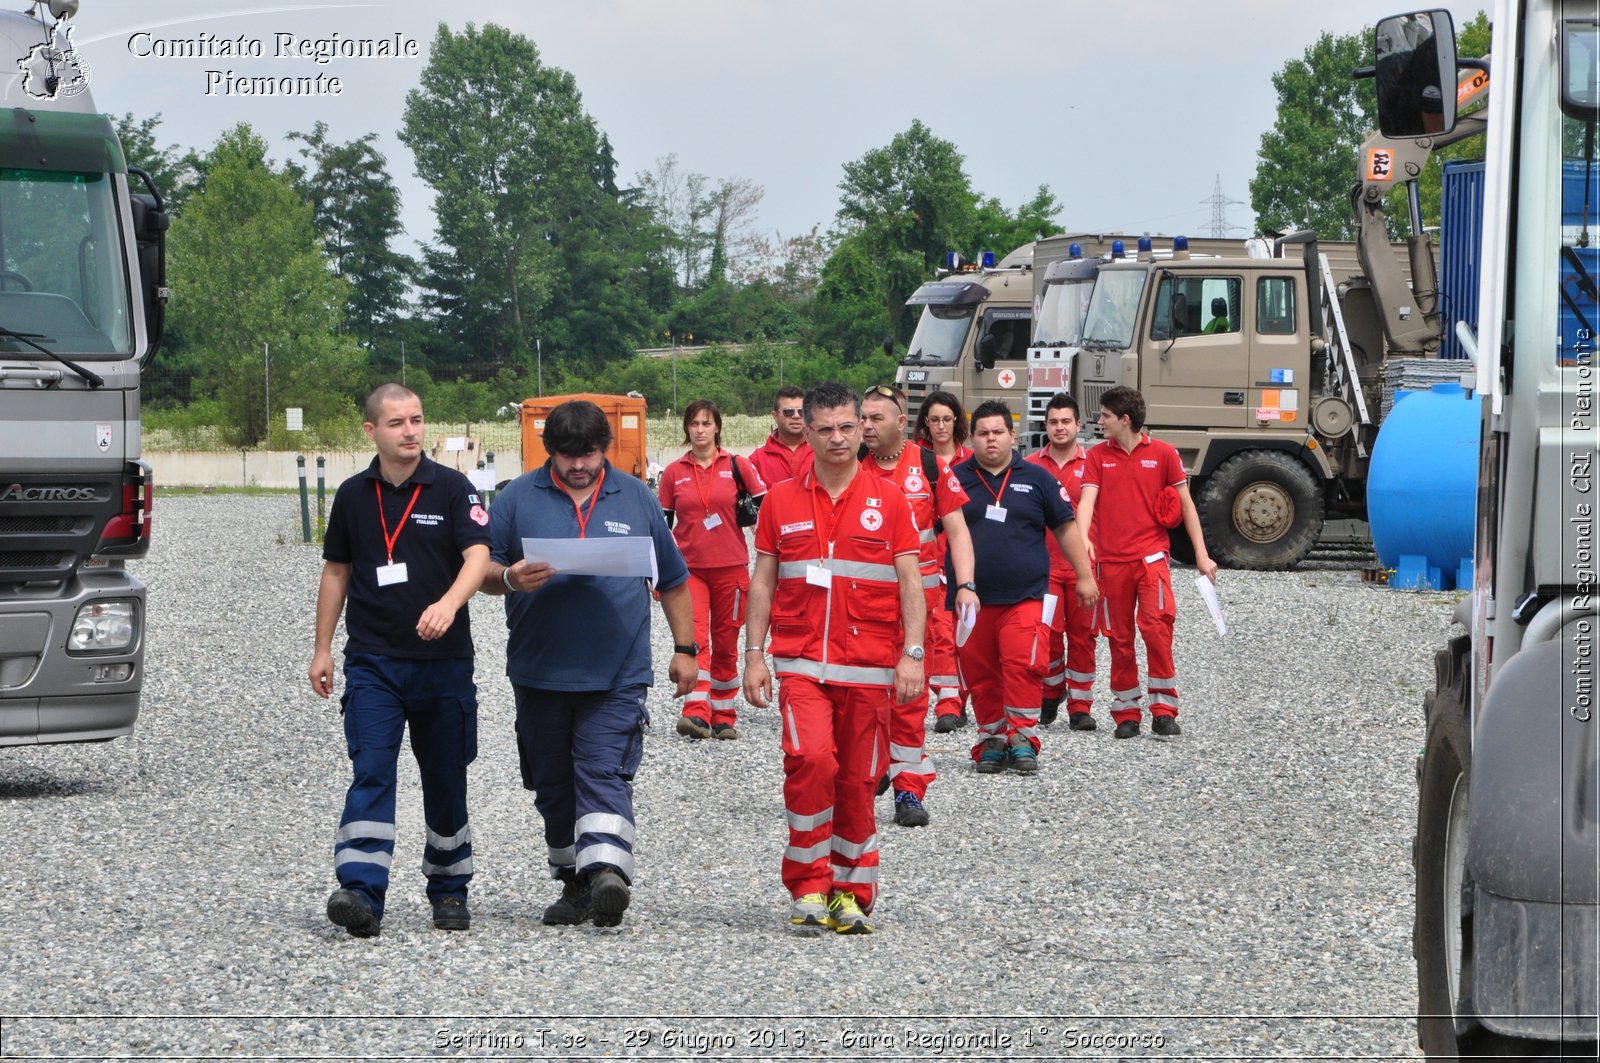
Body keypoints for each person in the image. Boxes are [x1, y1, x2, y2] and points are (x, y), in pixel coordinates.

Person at [483, 399, 697, 927]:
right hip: (539, 672)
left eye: (590, 454)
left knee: (604, 770)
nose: (579, 465)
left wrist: (685, 649)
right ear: (548, 451)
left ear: (605, 449)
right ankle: (575, 882)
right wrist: (509, 577)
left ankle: (608, 872)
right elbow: (480, 568)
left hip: (617, 672)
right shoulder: (515, 499)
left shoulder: (637, 498)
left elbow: (671, 578)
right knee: (552, 784)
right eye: (567, 455)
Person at [309, 383, 491, 938]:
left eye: (416, 420)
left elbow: (479, 555)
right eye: (397, 423)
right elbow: (336, 571)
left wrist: (448, 603)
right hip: (374, 663)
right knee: (371, 771)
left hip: (443, 664)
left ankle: (450, 888)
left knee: (444, 779)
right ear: (372, 432)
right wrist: (321, 647)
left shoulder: (453, 489)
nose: (410, 431)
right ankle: (361, 890)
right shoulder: (351, 496)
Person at [743, 382, 925, 935]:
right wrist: (753, 655)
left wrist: (912, 654)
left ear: (861, 428)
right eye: (826, 429)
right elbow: (764, 581)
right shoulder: (779, 499)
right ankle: (809, 883)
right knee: (812, 762)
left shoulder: (889, 500)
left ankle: (850, 889)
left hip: (870, 668)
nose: (839, 438)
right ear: (808, 431)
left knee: (861, 779)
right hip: (801, 665)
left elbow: (911, 583)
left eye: (849, 427)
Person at [949, 401, 1097, 775]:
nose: (991, 440)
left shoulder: (1037, 479)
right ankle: (992, 739)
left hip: (1026, 596)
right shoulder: (955, 478)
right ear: (971, 437)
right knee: (980, 672)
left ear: (1013, 436)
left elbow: (1066, 529)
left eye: (998, 432)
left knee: (1024, 666)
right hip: (972, 600)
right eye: (982, 433)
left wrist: (1084, 575)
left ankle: (1023, 738)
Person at [859, 384, 978, 828]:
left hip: (918, 609)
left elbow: (959, 532)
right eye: (862, 419)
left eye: (875, 419)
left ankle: (908, 784)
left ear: (899, 421)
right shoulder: (849, 468)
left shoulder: (930, 468)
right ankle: (870, 771)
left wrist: (965, 583)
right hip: (863, 610)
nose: (866, 427)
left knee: (908, 698)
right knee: (866, 699)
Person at [1075, 385, 1218, 739]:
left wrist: (1201, 554)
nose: (1100, 421)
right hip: (1111, 562)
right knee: (1118, 638)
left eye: (1106, 415)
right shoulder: (1097, 457)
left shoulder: (1165, 454)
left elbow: (1186, 505)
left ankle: (1164, 709)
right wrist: (1081, 542)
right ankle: (1126, 713)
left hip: (1151, 558)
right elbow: (1087, 501)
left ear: (1125, 419)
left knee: (1157, 629)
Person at [658, 399, 767, 740]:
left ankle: (724, 712)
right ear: (686, 429)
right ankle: (695, 711)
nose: (701, 430)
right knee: (693, 639)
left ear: (717, 427)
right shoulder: (674, 472)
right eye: (694, 424)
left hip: (731, 569)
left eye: (707, 423)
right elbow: (662, 528)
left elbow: (768, 507)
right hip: (688, 572)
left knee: (726, 641)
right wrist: (656, 573)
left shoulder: (738, 465)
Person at [1024, 393, 1100, 731]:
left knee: (1083, 636)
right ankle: (1051, 691)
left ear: (1078, 425)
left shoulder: (1094, 463)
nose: (1059, 427)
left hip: (1084, 568)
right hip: (1045, 569)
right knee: (1048, 635)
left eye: (1066, 421)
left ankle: (1081, 705)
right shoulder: (1029, 466)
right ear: (1046, 425)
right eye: (1053, 422)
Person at [911, 390, 972, 726]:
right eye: (934, 420)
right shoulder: (918, 460)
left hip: (963, 556)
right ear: (925, 423)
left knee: (968, 635)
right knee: (939, 631)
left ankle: (960, 696)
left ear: (957, 422)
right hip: (931, 558)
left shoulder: (971, 461)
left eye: (947, 419)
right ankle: (948, 703)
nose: (940, 426)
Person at [748, 385, 815, 487]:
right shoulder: (757, 460)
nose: (796, 416)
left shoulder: (822, 451)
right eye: (788, 412)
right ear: (775, 416)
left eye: (801, 411)